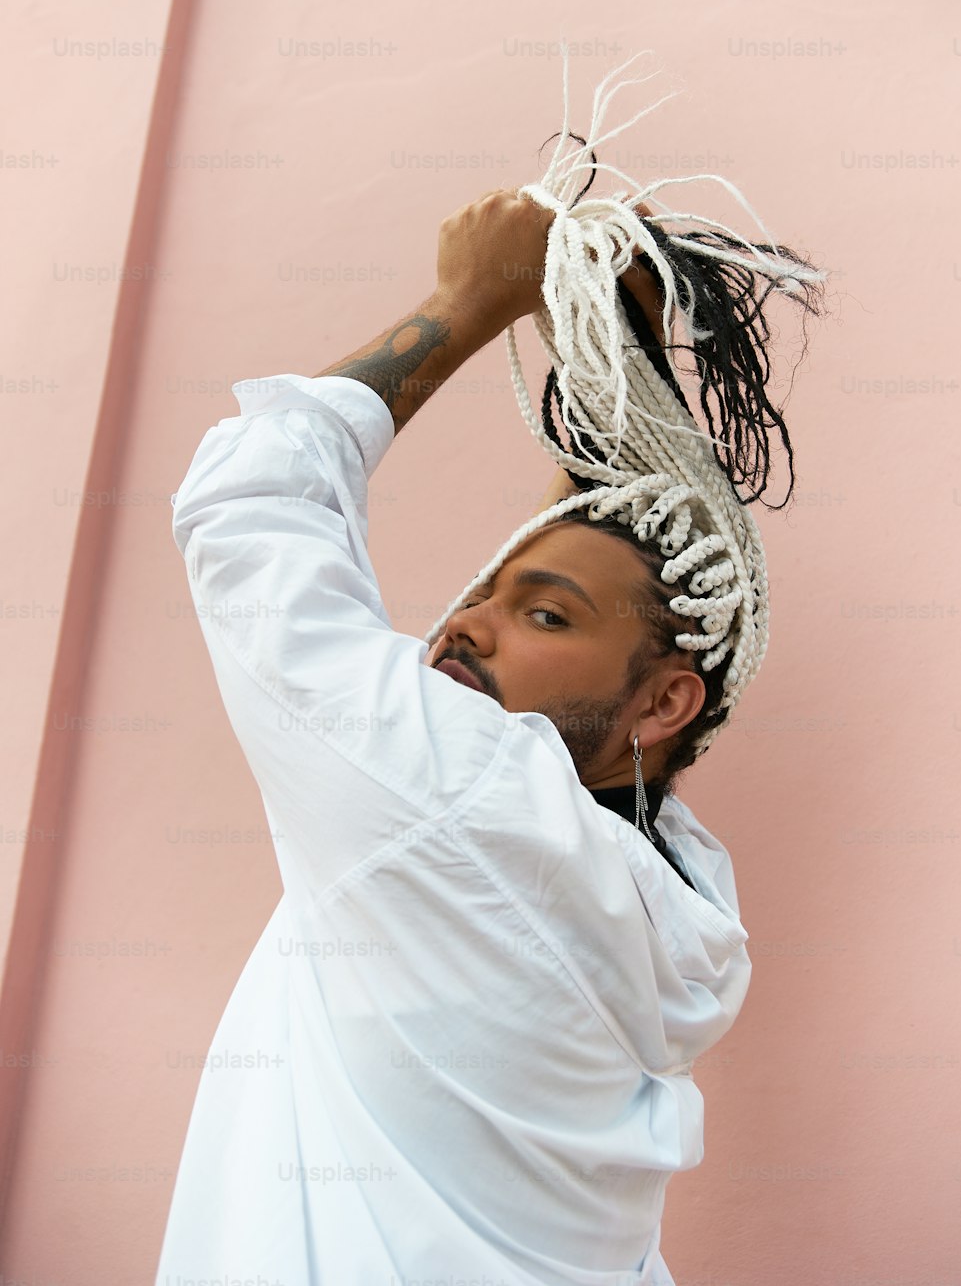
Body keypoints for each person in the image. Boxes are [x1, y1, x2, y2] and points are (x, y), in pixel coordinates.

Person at [157, 63, 824, 1285]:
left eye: (540, 614)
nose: (463, 625)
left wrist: (468, 304)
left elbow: (248, 506)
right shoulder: (673, 912)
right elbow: (591, 682)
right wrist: (609, 349)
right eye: (483, 590)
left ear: (664, 702)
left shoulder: (452, 801)